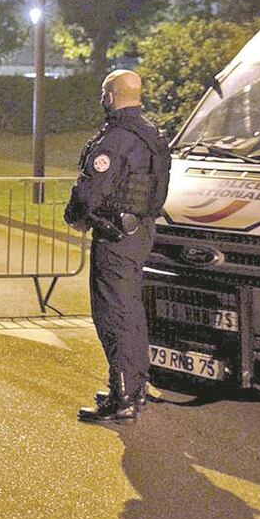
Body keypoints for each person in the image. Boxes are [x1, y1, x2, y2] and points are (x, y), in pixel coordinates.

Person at [65, 69, 172, 424]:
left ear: (110, 96)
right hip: (140, 232)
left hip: (114, 236)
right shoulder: (152, 135)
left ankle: (122, 397)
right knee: (131, 310)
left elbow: (90, 191)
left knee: (113, 314)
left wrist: (77, 216)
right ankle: (134, 387)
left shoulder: (115, 139)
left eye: (103, 94)